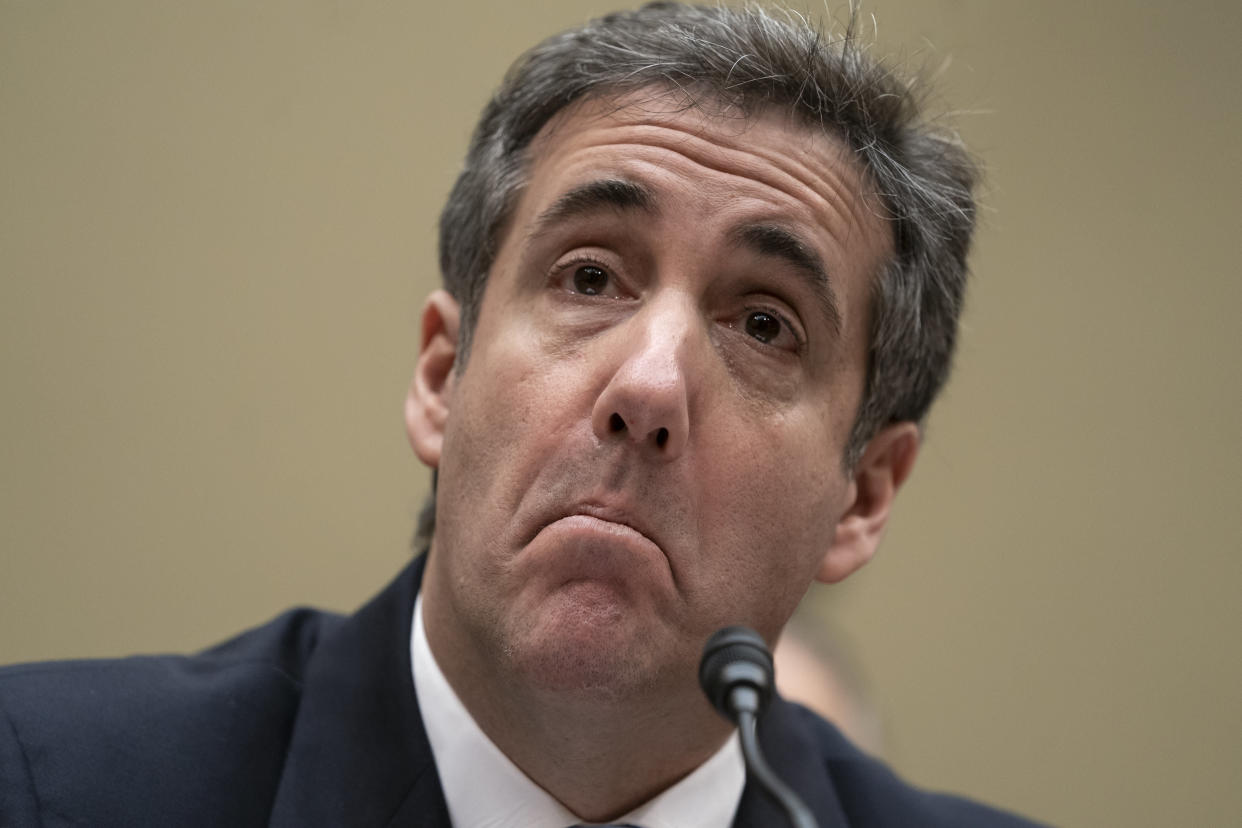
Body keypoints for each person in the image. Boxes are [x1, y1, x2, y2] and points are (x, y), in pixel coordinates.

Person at [0, 4, 1045, 826]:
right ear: (442, 377)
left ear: (863, 494)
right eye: (590, 276)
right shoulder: (44, 784)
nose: (648, 385)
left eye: (765, 326)